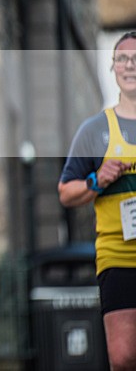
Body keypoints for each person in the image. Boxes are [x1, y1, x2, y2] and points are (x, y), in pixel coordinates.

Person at [58, 31, 136, 371]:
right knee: (123, 358)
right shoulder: (94, 131)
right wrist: (97, 179)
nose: (130, 65)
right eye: (123, 58)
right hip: (118, 254)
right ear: (113, 67)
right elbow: (65, 193)